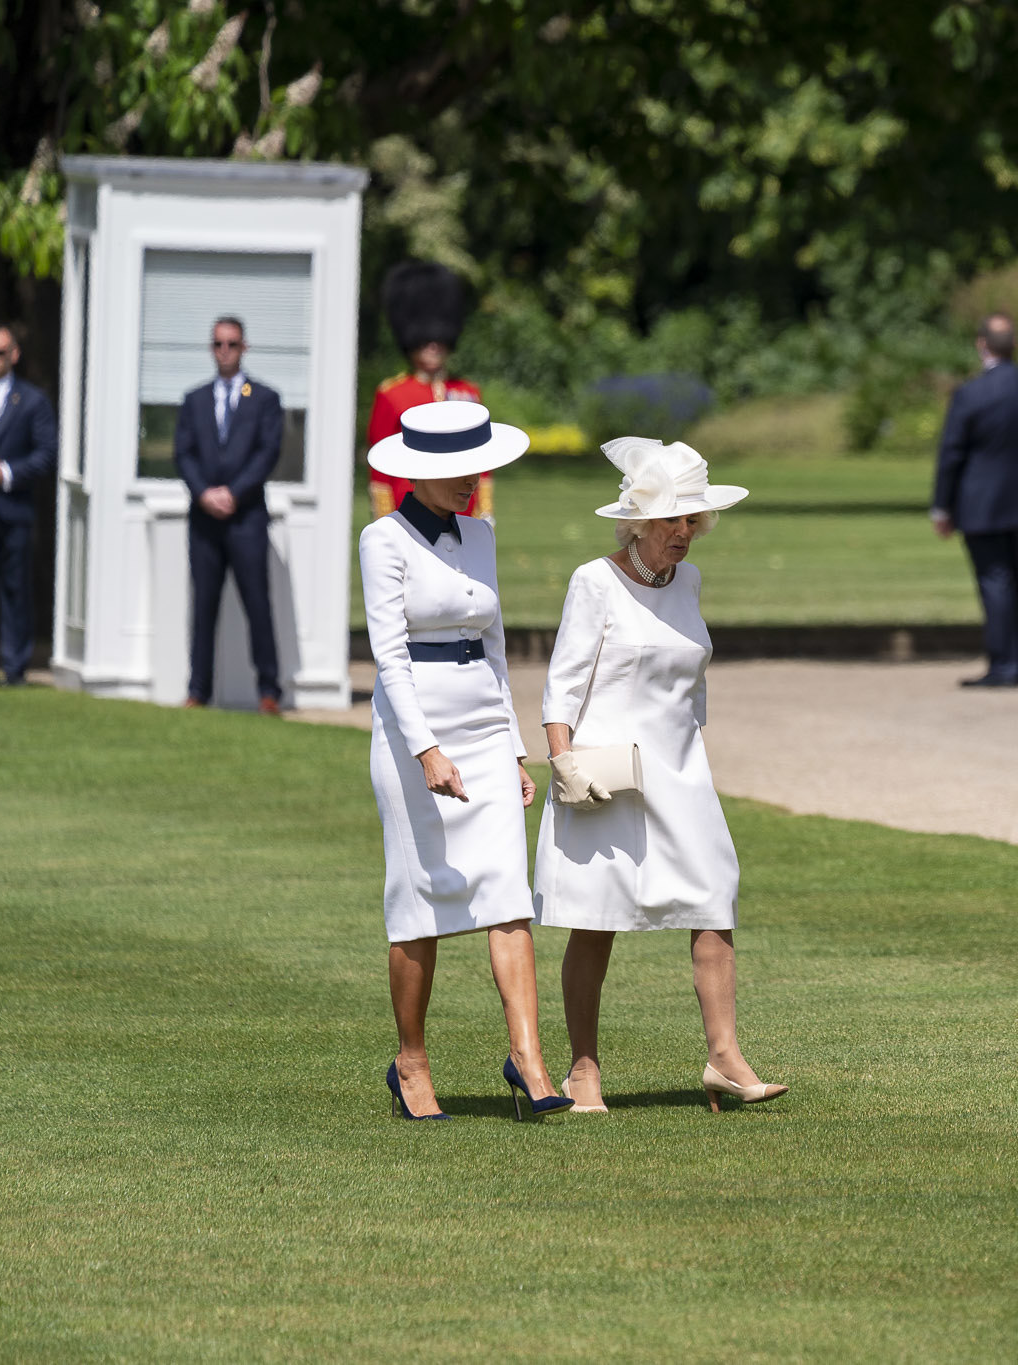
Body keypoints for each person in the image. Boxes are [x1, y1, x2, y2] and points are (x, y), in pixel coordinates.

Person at [534, 436, 786, 1116]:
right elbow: (563, 685)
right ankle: (582, 1070)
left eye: (693, 518)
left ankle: (725, 1059)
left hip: (681, 769)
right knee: (597, 917)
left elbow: (693, 682)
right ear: (639, 521)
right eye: (672, 518)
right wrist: (563, 761)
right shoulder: (594, 580)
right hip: (606, 775)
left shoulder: (690, 581)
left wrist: (693, 748)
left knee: (714, 898)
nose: (685, 531)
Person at [360, 400, 571, 1122]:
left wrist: (513, 747)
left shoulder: (480, 533)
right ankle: (411, 1063)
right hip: (413, 729)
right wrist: (425, 748)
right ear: (417, 472)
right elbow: (389, 656)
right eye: (457, 470)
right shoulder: (382, 539)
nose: (471, 481)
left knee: (509, 894)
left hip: (483, 728)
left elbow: (495, 645)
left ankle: (530, 1061)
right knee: (418, 900)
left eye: (476, 467)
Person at [930, 313, 1018, 687]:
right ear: (1015, 345)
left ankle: (1004, 664)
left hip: (980, 500)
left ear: (982, 345)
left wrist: (942, 505)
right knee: (1013, 578)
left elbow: (952, 453)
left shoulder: (971, 392)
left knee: (995, 579)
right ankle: (1016, 661)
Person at [175, 317, 285, 713]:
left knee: (257, 603)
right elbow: (183, 453)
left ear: (244, 348)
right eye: (218, 344)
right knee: (204, 606)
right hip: (204, 520)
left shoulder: (265, 398)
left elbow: (267, 453)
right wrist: (204, 493)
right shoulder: (195, 399)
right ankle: (198, 690)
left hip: (246, 518)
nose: (225, 351)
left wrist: (234, 493)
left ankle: (269, 691)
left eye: (232, 344)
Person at [367, 262, 492, 523]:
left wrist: (485, 512)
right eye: (424, 340)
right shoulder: (392, 394)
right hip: (409, 513)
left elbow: (482, 459)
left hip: (463, 513)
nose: (433, 346)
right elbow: (380, 470)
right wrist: (386, 520)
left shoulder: (468, 391)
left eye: (439, 339)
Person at [0, 320, 58, 686]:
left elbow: (46, 455)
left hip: (13, 511)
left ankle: (14, 669)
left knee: (15, 590)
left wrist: (7, 472)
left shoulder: (32, 400)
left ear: (14, 355)